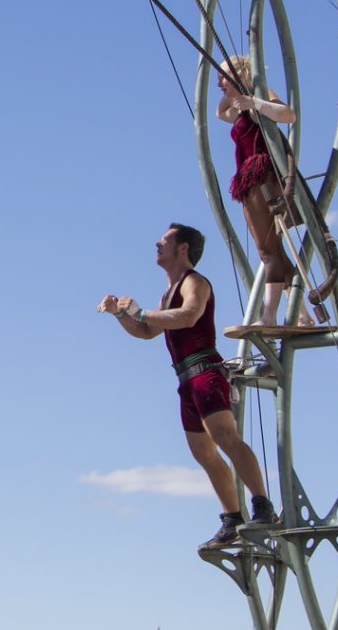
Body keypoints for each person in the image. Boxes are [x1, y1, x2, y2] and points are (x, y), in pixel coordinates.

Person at [98, 223, 278, 549]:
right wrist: (120, 315)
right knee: (204, 454)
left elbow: (189, 316)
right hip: (186, 380)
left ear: (183, 248)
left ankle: (262, 504)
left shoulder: (194, 282)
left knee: (225, 437)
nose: (157, 244)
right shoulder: (168, 292)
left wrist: (141, 311)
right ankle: (232, 518)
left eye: (164, 240)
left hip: (205, 372)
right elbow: (146, 331)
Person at [216, 55, 313, 327]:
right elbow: (219, 111)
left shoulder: (260, 97)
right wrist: (234, 90)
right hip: (247, 180)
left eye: (222, 76)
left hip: (262, 174)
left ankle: (269, 315)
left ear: (241, 73)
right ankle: (302, 314)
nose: (218, 83)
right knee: (272, 251)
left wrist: (254, 98)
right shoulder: (238, 106)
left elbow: (288, 114)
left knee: (267, 250)